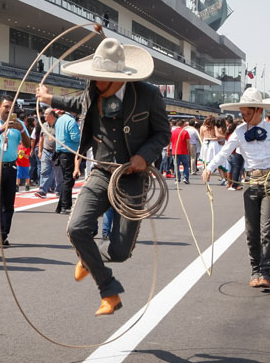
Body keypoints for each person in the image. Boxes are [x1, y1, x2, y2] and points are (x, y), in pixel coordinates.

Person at [36, 37, 170, 316]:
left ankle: (89, 258)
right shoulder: (93, 89)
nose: (96, 84)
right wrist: (49, 98)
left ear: (118, 78)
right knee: (76, 228)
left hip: (132, 178)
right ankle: (108, 290)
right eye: (94, 79)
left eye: (102, 80)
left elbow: (162, 134)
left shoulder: (148, 95)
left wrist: (144, 156)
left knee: (121, 251)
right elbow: (77, 103)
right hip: (100, 171)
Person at [203, 87, 270, 289]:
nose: (243, 117)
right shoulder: (238, 132)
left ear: (258, 111)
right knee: (251, 231)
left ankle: (265, 273)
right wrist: (209, 168)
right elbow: (224, 152)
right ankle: (254, 270)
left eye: (247, 113)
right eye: (242, 113)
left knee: (267, 230)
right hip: (250, 181)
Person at [0, 96, 30, 245]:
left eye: (12, 107)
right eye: (6, 107)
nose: (9, 110)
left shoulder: (20, 124)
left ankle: (4, 232)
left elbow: (27, 144)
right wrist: (1, 130)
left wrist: (22, 130)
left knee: (8, 203)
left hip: (11, 167)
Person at [54, 103, 80, 213]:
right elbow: (75, 137)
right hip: (69, 153)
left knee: (65, 180)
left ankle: (61, 206)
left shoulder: (59, 120)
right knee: (68, 181)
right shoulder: (71, 120)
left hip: (60, 153)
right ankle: (65, 206)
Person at [35, 108, 60, 198]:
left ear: (52, 115)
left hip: (57, 152)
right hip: (46, 151)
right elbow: (41, 139)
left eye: (46, 114)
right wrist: (40, 151)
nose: (44, 116)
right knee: (44, 171)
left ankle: (59, 190)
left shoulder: (59, 124)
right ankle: (42, 190)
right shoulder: (44, 125)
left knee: (58, 173)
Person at [171, 119, 191, 184]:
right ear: (182, 124)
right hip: (184, 151)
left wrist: (168, 150)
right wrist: (189, 150)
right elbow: (188, 142)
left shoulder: (172, 132)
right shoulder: (185, 132)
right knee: (186, 165)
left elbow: (170, 142)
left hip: (175, 150)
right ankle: (185, 178)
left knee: (176, 166)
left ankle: (177, 179)